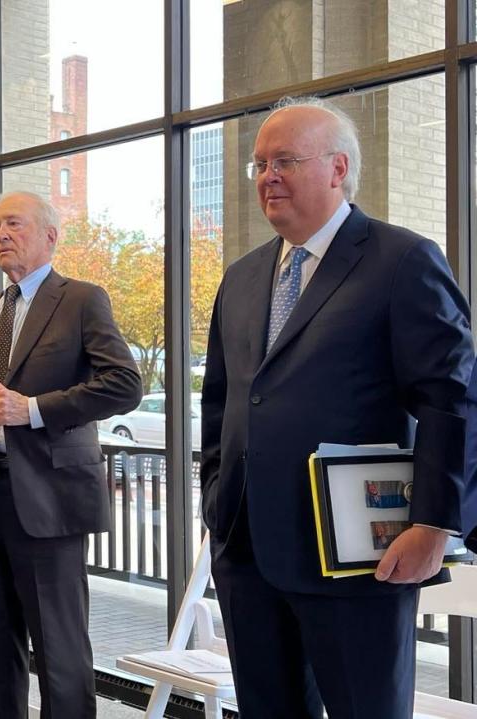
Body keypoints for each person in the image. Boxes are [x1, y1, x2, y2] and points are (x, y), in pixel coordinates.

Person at [201, 96, 475, 718]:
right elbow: (222, 400)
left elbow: (451, 400)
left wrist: (435, 523)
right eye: (260, 163)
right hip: (247, 553)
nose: (268, 175)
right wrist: (216, 496)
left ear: (338, 168)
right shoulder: (242, 277)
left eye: (286, 161)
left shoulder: (401, 260)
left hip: (356, 560)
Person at [0, 191, 142, 718]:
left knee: (59, 652)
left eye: (16, 224)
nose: (2, 234)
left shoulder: (80, 300)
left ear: (50, 236)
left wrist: (35, 409)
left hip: (51, 500)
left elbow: (123, 384)